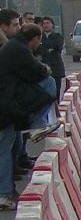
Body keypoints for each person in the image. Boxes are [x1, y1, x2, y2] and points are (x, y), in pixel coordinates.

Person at [0, 19, 54, 207]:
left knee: (8, 148)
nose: (17, 27)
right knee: (4, 150)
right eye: (14, 24)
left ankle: (7, 191)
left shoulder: (12, 47)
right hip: (6, 106)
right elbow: (38, 72)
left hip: (8, 106)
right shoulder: (18, 49)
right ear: (35, 39)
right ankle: (4, 194)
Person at [36, 17, 65, 103]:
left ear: (52, 25)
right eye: (44, 23)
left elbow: (58, 47)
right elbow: (37, 49)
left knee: (56, 93)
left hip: (56, 69)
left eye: (48, 23)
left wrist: (44, 46)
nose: (46, 25)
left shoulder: (58, 36)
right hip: (43, 69)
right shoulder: (39, 37)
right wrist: (48, 49)